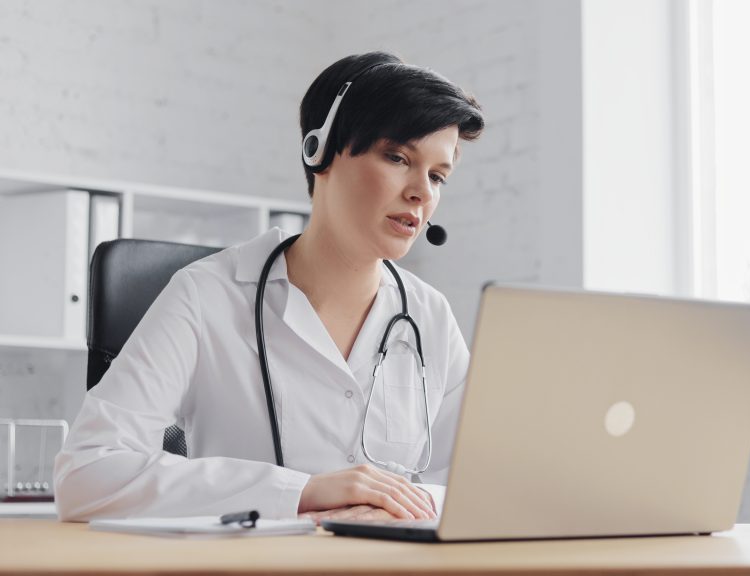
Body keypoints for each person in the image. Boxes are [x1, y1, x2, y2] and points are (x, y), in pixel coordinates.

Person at [54, 51, 485, 523]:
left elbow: (479, 484)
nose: (422, 192)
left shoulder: (428, 315)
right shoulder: (206, 296)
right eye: (398, 157)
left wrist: (402, 504)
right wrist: (300, 493)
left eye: (438, 176)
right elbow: (87, 473)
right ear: (319, 153)